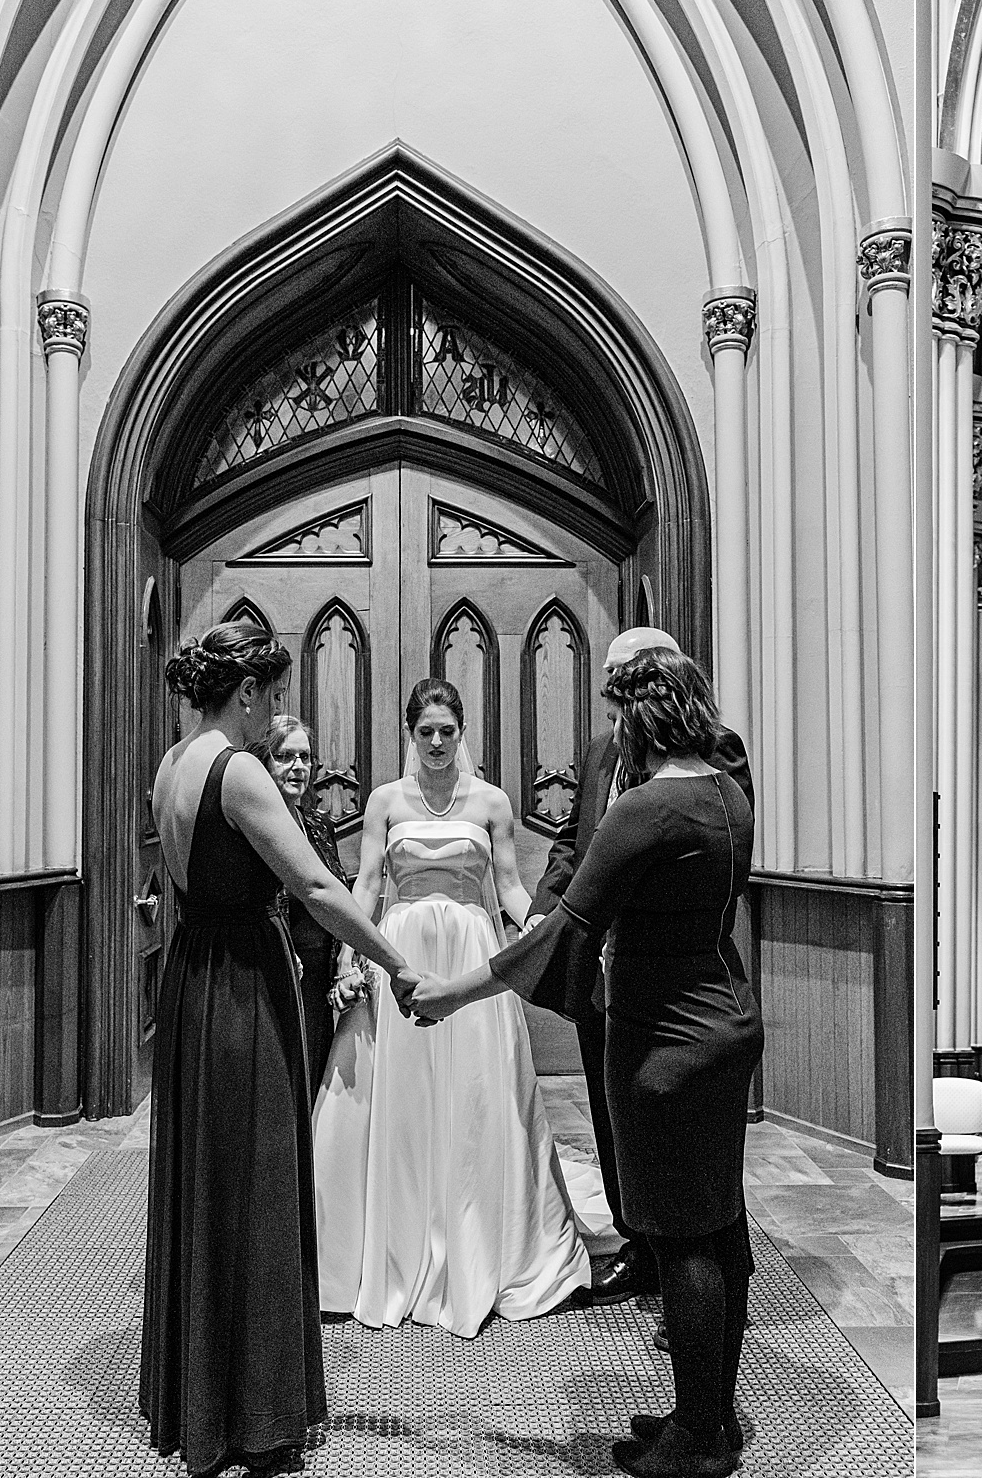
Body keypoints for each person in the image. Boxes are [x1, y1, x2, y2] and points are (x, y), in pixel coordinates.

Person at [403, 647, 761, 1479]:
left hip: (665, 1042)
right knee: (722, 1222)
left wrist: (449, 994)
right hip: (726, 1023)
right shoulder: (728, 796)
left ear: (637, 723)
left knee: (680, 1238)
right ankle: (708, 1412)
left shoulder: (644, 811)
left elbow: (561, 930)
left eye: (615, 720)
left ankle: (700, 1440)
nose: (611, 735)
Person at [143, 622, 423, 1475]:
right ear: (251, 692)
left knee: (207, 1178)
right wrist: (397, 961)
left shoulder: (172, 762)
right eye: (277, 695)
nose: (280, 712)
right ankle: (255, 1415)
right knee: (258, 1182)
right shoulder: (241, 772)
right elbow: (314, 884)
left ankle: (195, 1393)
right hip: (240, 988)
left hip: (192, 976)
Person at [311, 678, 594, 1337]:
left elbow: (508, 885)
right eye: (425, 732)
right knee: (404, 1104)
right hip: (402, 951)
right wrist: (354, 955)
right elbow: (370, 884)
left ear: (462, 731)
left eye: (447, 731)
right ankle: (397, 1241)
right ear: (409, 734)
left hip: (470, 953)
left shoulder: (493, 802)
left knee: (476, 1099)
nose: (437, 743)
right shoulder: (383, 800)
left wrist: (542, 931)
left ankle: (479, 1242)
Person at [525, 626, 754, 1311]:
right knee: (610, 1111)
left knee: (689, 1169)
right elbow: (573, 842)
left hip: (673, 977)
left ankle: (685, 1279)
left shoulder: (712, 760)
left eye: (623, 683)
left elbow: (720, 863)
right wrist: (547, 909)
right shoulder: (602, 753)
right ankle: (638, 1241)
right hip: (608, 975)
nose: (612, 704)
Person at [254, 715, 353, 1084]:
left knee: (313, 1078)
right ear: (263, 763)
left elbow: (335, 893)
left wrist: (348, 959)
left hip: (318, 975)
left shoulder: (319, 824)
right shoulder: (251, 823)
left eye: (305, 757)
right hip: (274, 971)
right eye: (285, 756)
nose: (298, 767)